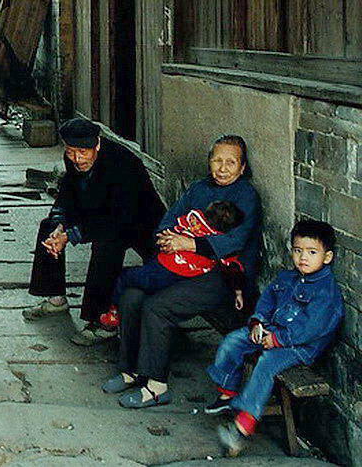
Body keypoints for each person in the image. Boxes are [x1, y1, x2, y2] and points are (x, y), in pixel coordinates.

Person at [102, 134, 262, 408]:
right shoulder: (199, 189)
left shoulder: (246, 195)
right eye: (217, 160)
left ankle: (156, 385)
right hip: (181, 263)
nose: (223, 168)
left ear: (242, 167)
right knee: (132, 293)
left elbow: (235, 240)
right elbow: (168, 218)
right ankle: (131, 370)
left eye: (231, 162)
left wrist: (190, 243)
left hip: (223, 275)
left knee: (157, 306)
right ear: (209, 162)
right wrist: (166, 239)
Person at [22, 118, 166, 346]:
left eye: (83, 152)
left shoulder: (123, 164)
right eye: (71, 152)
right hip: (97, 209)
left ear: (96, 145)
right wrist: (59, 226)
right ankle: (56, 297)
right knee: (48, 227)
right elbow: (69, 191)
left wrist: (71, 234)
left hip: (139, 220)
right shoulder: (73, 158)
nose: (77, 159)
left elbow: (118, 219)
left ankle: (101, 320)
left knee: (107, 244)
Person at [206, 219, 343, 456]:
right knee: (234, 340)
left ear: (327, 257)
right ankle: (228, 390)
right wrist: (258, 322)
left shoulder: (326, 292)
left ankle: (244, 423)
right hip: (271, 331)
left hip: (299, 346)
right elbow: (267, 300)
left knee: (267, 363)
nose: (303, 257)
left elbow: (310, 328)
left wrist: (277, 339)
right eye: (298, 250)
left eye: (312, 252)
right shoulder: (286, 278)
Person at [99, 200, 246, 329]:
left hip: (164, 268)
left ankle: (113, 313)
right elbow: (233, 269)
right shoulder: (217, 242)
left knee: (126, 276)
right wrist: (238, 292)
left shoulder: (194, 220)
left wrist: (165, 237)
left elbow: (171, 228)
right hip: (186, 276)